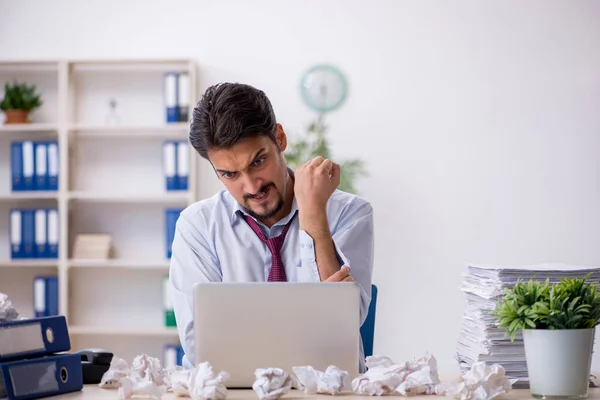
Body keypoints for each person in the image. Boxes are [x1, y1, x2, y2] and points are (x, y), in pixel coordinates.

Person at [169, 82, 375, 371]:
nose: (251, 186)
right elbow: (200, 345)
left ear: (279, 138)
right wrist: (314, 315)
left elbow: (345, 323)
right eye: (229, 174)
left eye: (258, 161)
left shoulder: (348, 213)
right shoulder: (198, 226)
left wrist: (313, 212)